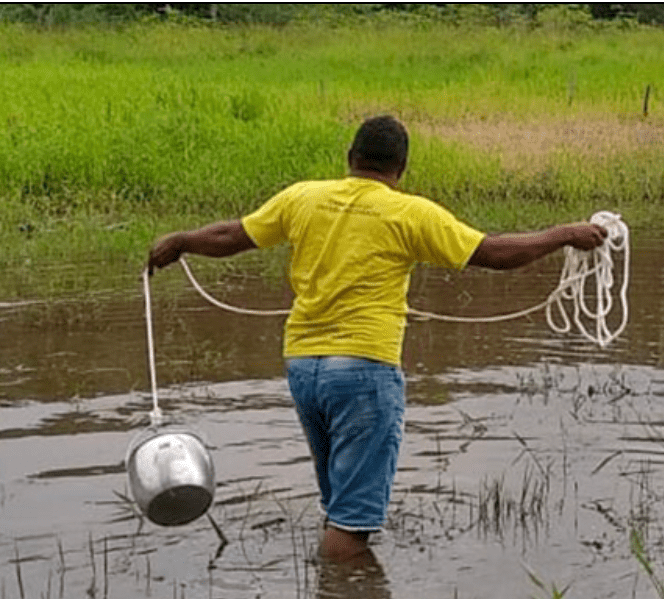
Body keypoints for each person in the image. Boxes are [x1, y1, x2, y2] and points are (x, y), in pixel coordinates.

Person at [147, 115, 607, 563]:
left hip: (304, 369)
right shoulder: (409, 212)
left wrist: (181, 241)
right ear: (400, 170)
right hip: (364, 371)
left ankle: (331, 593)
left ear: (350, 157)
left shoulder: (302, 198)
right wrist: (565, 234)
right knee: (352, 524)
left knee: (339, 504)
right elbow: (495, 253)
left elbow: (232, 234)